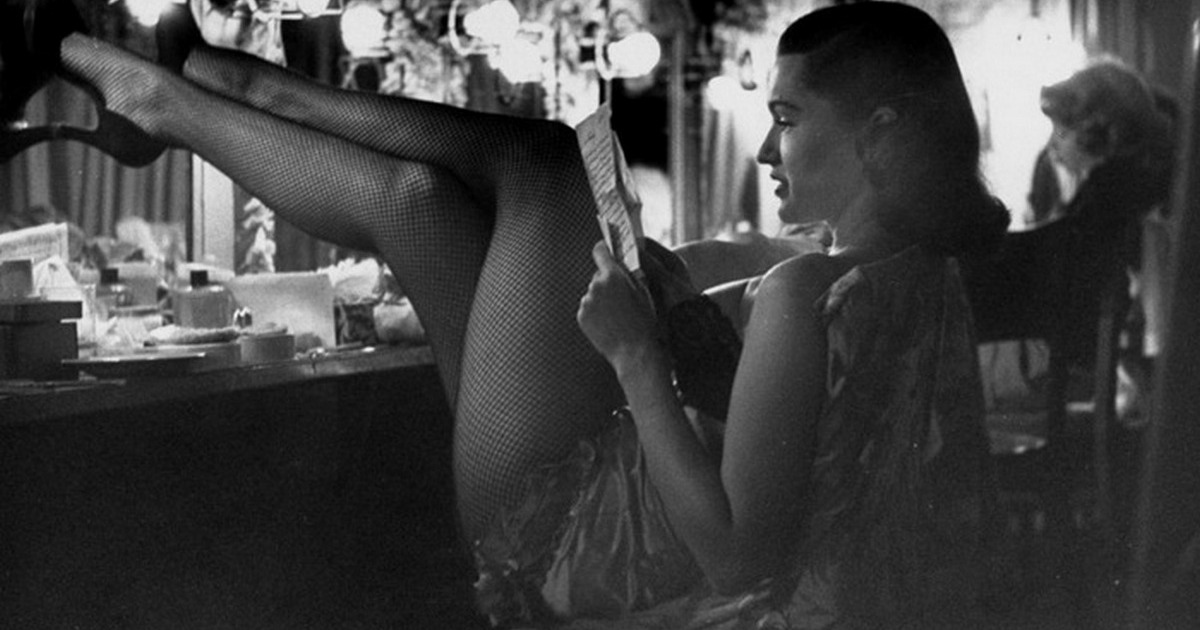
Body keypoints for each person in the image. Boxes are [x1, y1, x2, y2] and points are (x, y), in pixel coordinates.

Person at [1, 1, 1009, 627]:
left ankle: (178, 93)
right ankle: (199, 89)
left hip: (577, 542)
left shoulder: (804, 290)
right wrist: (684, 330)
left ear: (879, 133)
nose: (765, 152)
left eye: (787, 120)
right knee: (418, 203)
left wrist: (637, 360)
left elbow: (740, 557)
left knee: (542, 162)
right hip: (619, 512)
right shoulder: (924, 275)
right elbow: (819, 467)